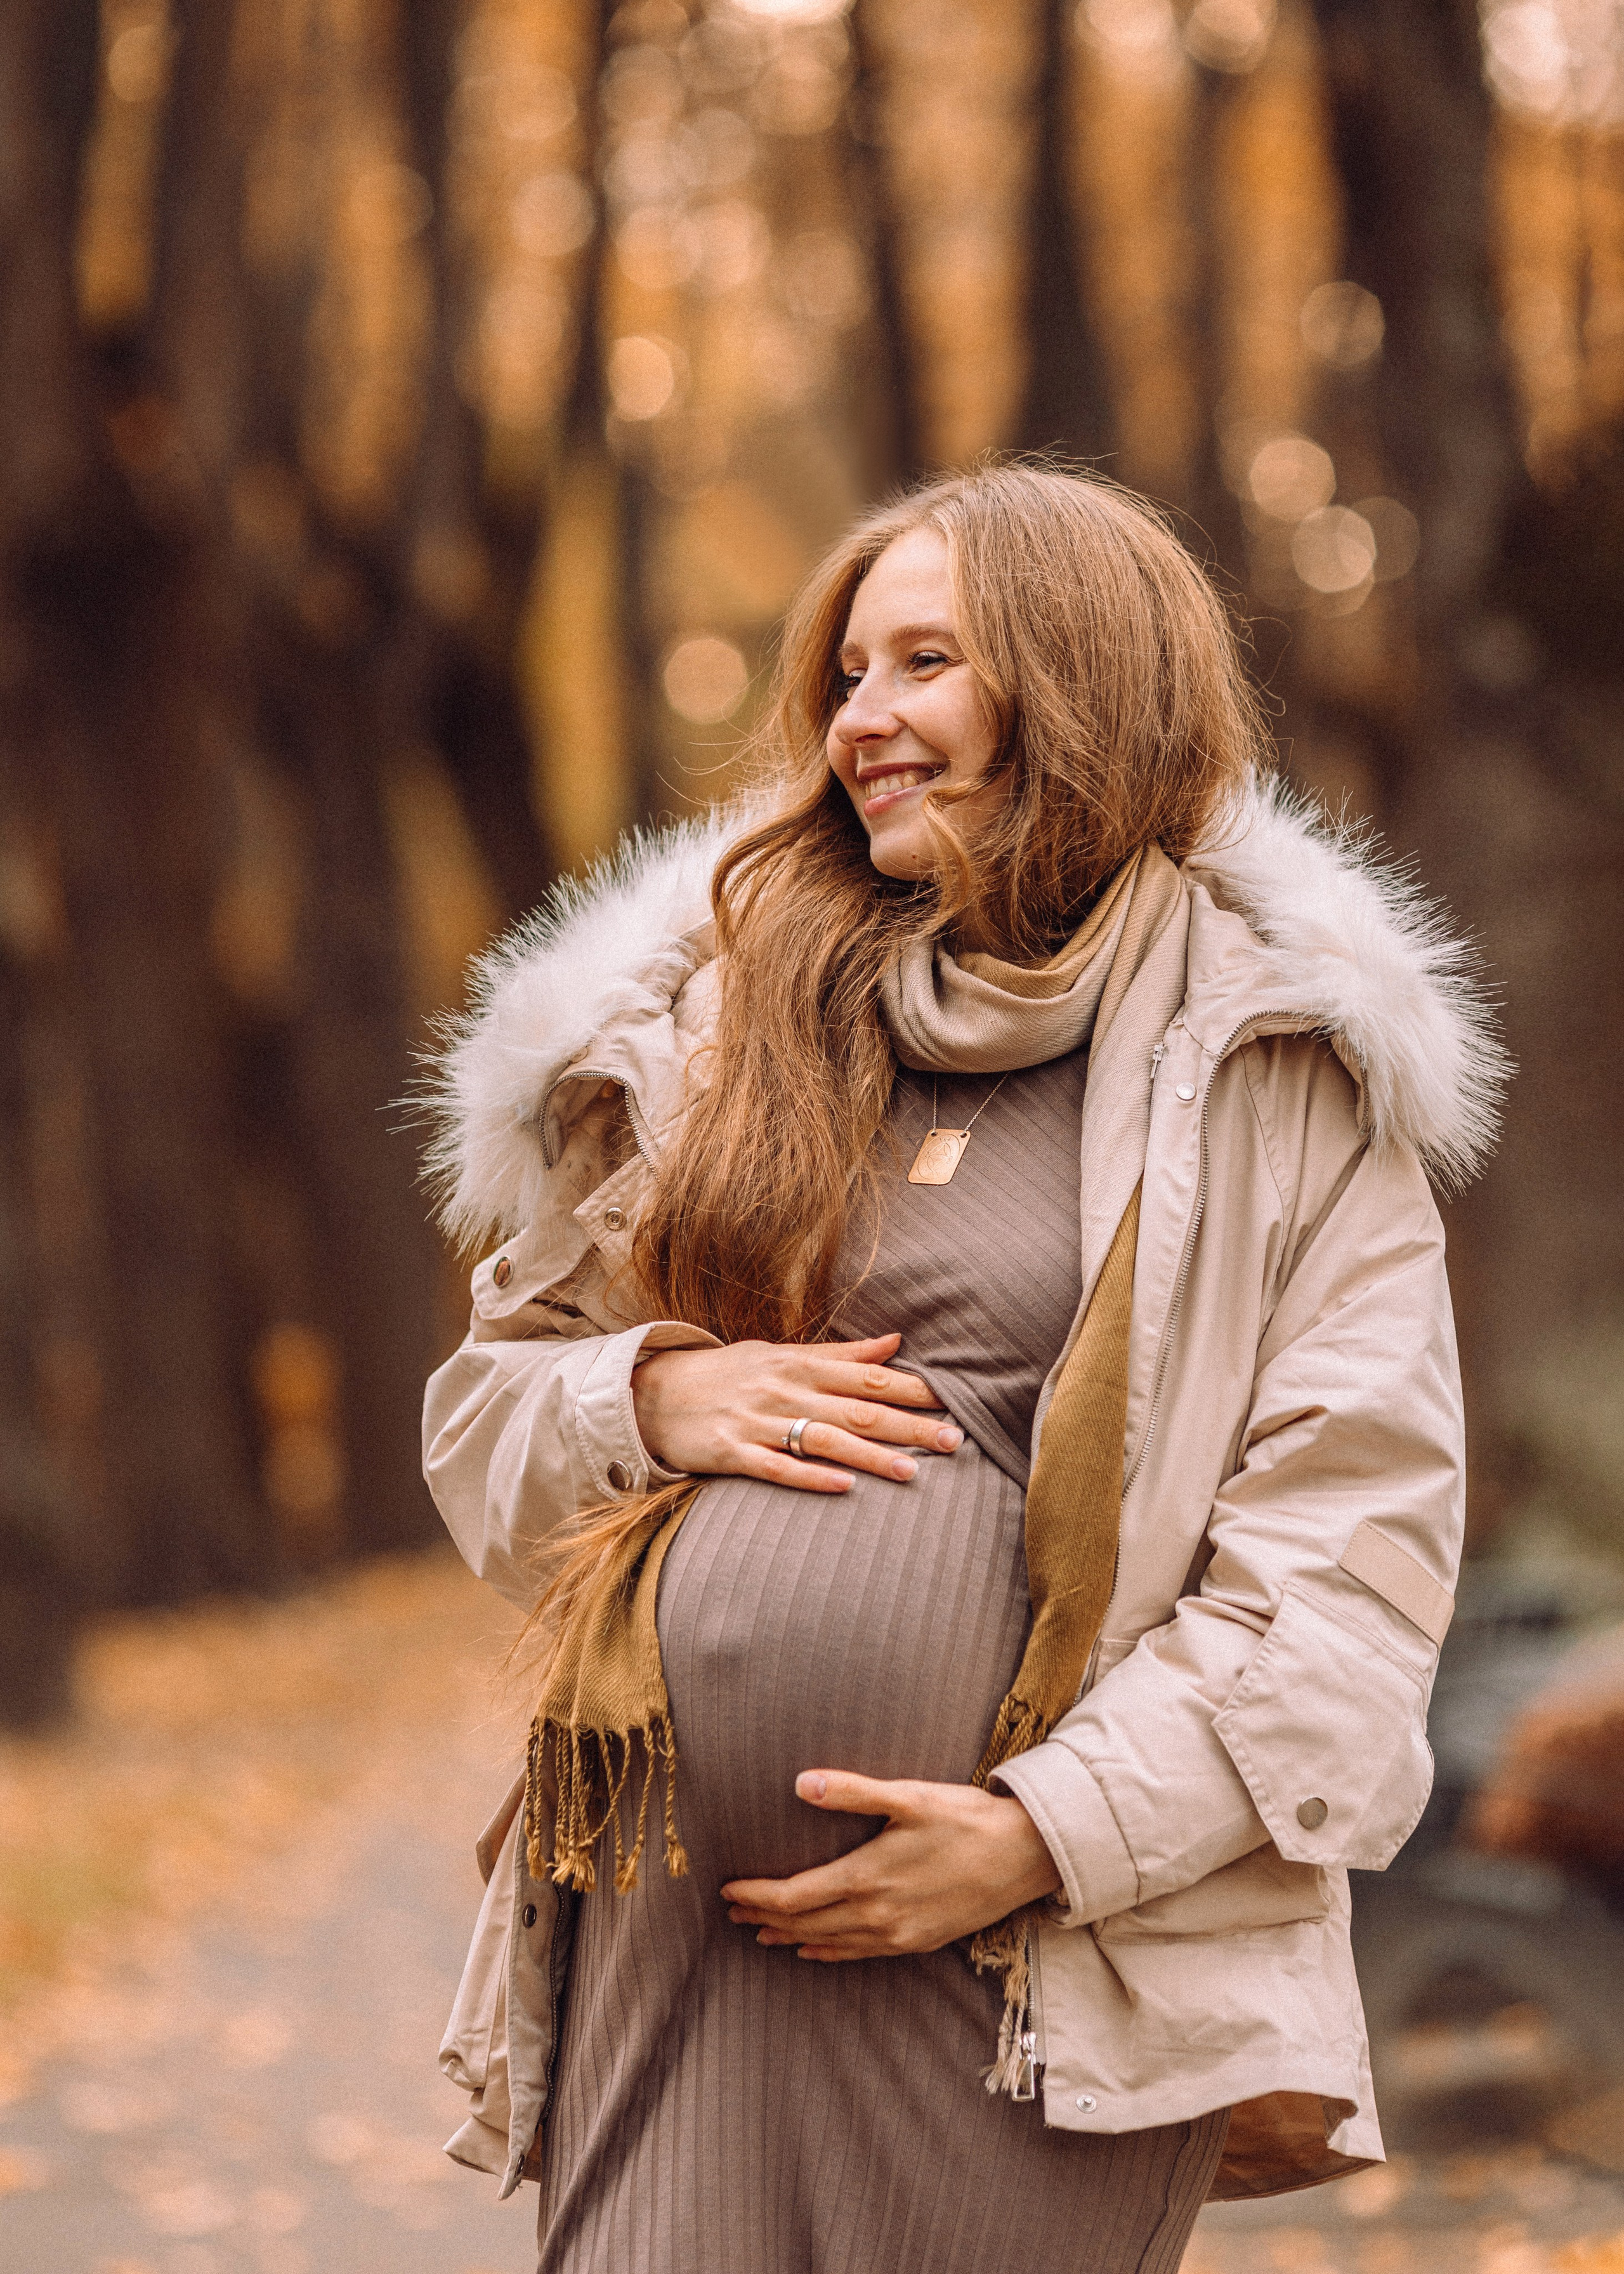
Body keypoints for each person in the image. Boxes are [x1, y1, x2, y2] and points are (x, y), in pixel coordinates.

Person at [422, 464, 1502, 2274]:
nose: (860, 722)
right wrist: (650, 1399)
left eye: (925, 663)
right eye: (846, 673)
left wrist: (1036, 1835)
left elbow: (1350, 1574)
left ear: (1083, 685)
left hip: (1045, 1968)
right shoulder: (712, 1032)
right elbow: (482, 1421)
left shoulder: (1279, 1078)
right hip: (667, 1931)